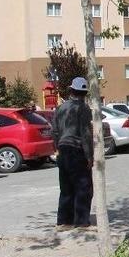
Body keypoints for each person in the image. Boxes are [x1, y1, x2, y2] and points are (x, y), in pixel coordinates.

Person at [52, 77, 94, 230]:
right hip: (77, 150)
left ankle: (64, 221)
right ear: (84, 93)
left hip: (63, 151)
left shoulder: (60, 108)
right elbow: (86, 133)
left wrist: (57, 149)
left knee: (66, 187)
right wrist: (89, 156)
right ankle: (82, 222)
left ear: (71, 90)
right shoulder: (83, 109)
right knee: (84, 187)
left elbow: (54, 131)